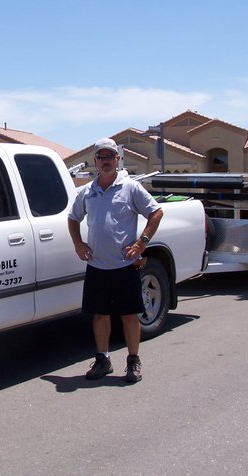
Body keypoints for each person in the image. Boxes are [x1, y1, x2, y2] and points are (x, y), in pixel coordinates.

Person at [68, 137, 163, 383]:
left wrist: (142, 242)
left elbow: (156, 212)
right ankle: (103, 360)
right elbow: (72, 218)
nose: (106, 161)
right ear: (95, 161)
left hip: (124, 265)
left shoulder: (130, 187)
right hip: (97, 265)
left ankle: (133, 362)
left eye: (110, 156)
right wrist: (78, 244)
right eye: (101, 157)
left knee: (129, 316)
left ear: (118, 159)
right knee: (100, 315)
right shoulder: (87, 191)